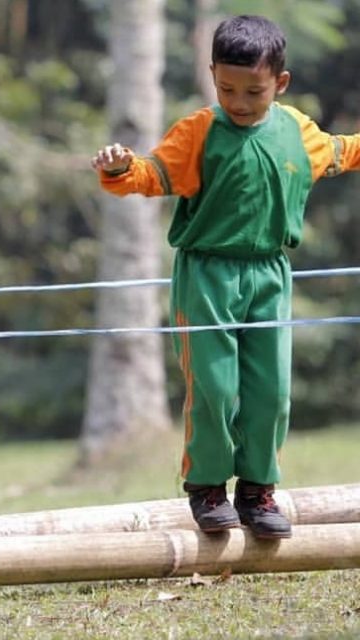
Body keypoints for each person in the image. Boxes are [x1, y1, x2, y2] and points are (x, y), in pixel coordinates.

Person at [91, 15, 360, 539]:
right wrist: (119, 167)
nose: (238, 101)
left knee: (272, 392)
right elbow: (149, 175)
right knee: (214, 388)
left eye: (253, 91)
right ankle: (208, 487)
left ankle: (258, 491)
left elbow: (345, 151)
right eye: (227, 88)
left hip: (270, 275)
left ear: (279, 83)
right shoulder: (199, 131)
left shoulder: (297, 132)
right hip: (207, 273)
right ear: (212, 73)